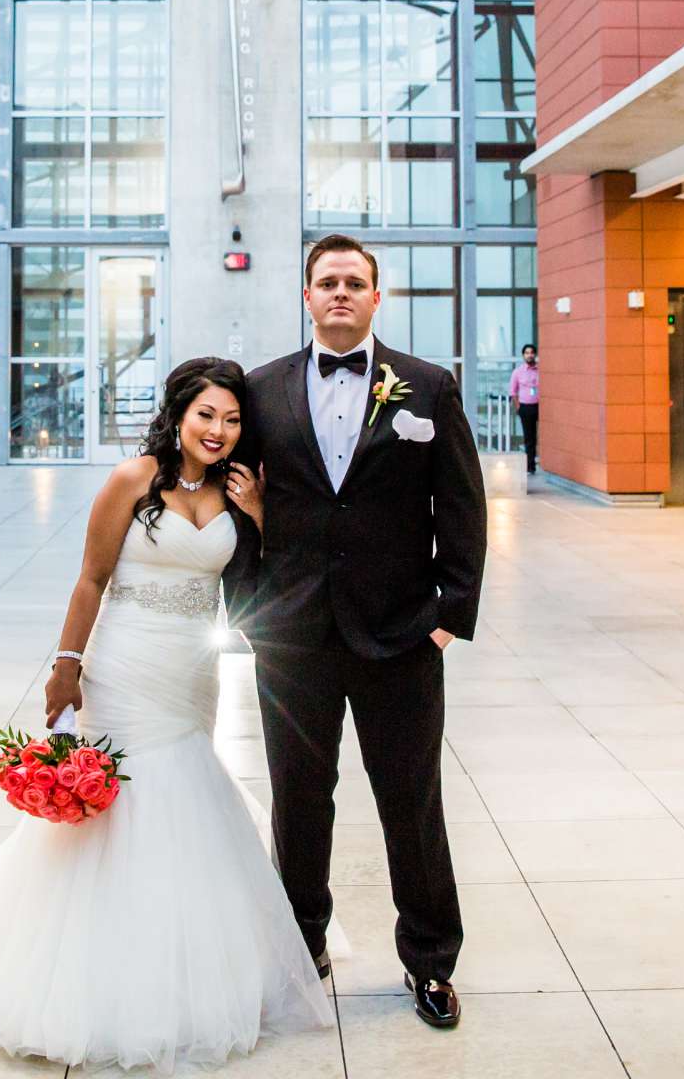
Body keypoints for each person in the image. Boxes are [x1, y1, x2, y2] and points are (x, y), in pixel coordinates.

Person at [0, 358, 331, 1073]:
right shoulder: (132, 480)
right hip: (124, 665)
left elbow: (260, 587)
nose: (218, 431)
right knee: (123, 803)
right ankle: (93, 967)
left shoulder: (237, 489)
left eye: (232, 419)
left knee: (187, 794)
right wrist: (66, 664)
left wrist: (259, 519)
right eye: (206, 415)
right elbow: (91, 577)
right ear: (179, 415)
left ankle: (174, 959)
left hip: (192, 670)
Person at [223, 234, 488, 1033]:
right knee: (300, 802)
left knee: (411, 803)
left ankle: (431, 961)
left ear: (378, 298)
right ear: (306, 297)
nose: (340, 293)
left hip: (402, 636)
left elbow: (464, 509)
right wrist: (251, 610)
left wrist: (448, 619)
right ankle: (303, 944)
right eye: (326, 282)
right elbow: (238, 507)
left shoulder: (428, 388)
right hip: (294, 635)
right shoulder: (261, 392)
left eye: (355, 282)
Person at [509, 342, 540, 474]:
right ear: (523, 355)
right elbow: (513, 392)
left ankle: (538, 463)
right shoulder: (518, 372)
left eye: (532, 353)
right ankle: (530, 466)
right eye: (527, 353)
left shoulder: (540, 370)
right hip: (526, 407)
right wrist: (518, 408)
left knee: (541, 437)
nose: (530, 355)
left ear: (535, 355)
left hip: (540, 407)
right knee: (529, 437)